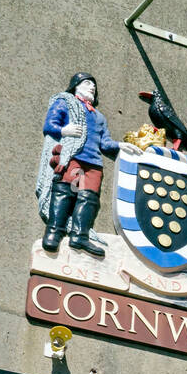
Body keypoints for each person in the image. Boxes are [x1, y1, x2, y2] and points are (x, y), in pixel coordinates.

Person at [40, 73, 138, 257]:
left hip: (93, 163)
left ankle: (80, 236)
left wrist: (120, 145)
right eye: (87, 83)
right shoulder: (66, 103)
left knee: (88, 198)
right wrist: (64, 130)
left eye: (94, 85)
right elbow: (49, 125)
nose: (92, 87)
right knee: (66, 192)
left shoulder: (99, 117)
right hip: (74, 157)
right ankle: (54, 231)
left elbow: (105, 143)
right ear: (75, 86)